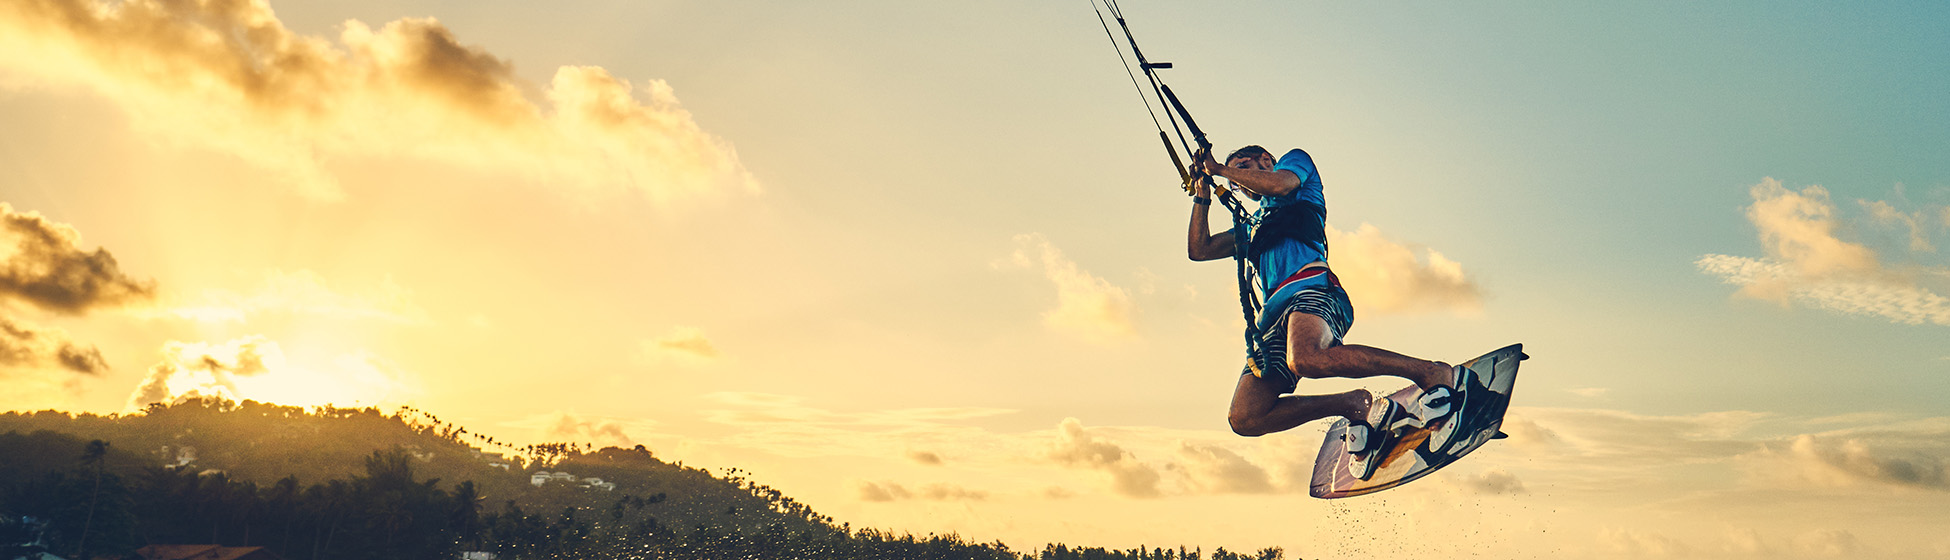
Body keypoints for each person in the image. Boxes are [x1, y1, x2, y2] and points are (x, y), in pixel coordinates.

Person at [1186, 145, 1474, 476]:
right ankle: (1349, 404)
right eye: (1238, 177)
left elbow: (1280, 185)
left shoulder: (1294, 167)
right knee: (1246, 416)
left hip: (1311, 288)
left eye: (1245, 167)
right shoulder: (1252, 226)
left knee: (1307, 358)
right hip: (1271, 319)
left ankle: (1429, 372)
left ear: (1265, 160)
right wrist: (1202, 193)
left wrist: (1221, 169)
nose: (1242, 181)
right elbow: (1200, 249)